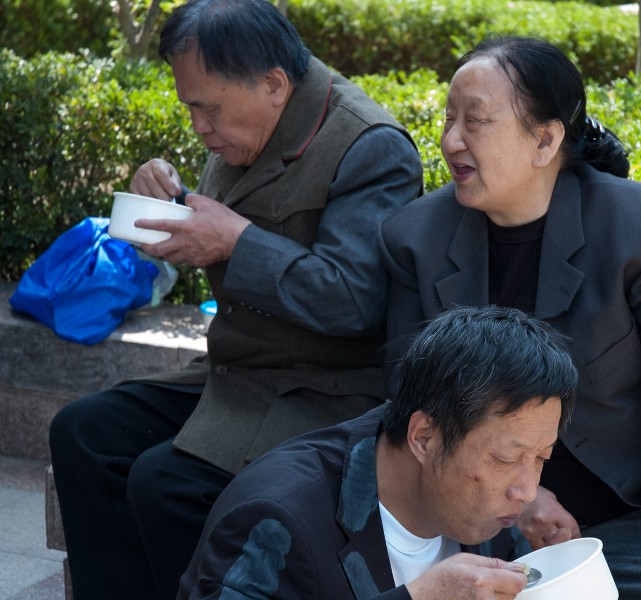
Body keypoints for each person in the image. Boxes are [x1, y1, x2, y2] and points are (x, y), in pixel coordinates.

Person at [378, 36, 641, 600]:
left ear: (545, 139)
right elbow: (407, 395)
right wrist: (520, 499)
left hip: (639, 513)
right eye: (447, 120)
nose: (450, 141)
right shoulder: (413, 239)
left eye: (476, 121)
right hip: (487, 524)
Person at [47, 1, 423, 598]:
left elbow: (354, 301)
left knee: (164, 481)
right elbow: (225, 229)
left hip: (322, 390)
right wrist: (170, 211)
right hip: (236, 373)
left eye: (207, 107)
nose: (198, 125)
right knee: (84, 432)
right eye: (190, 106)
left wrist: (236, 242)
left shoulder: (369, 146)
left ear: (274, 84)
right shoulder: (244, 125)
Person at [177, 305, 578, 599]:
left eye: (541, 458)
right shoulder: (280, 515)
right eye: (506, 459)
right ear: (424, 437)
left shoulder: (500, 511)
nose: (526, 491)